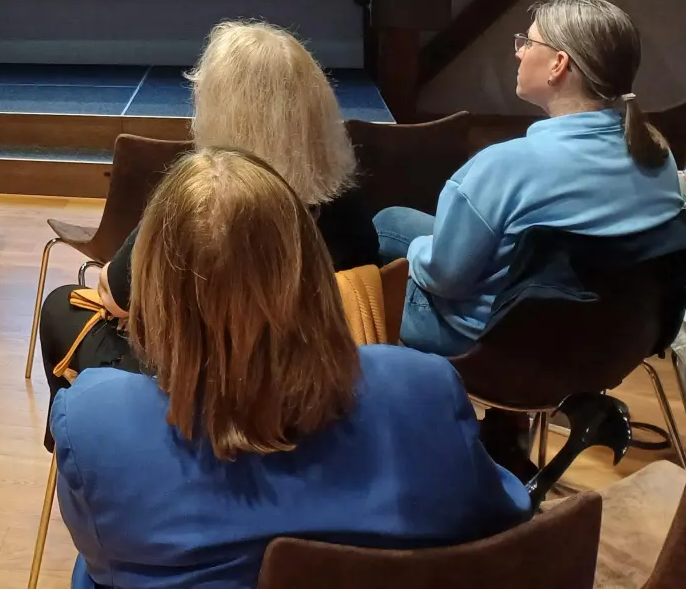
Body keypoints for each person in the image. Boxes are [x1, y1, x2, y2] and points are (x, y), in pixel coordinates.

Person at [51, 148, 531, 589]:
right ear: (313, 273)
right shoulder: (424, 390)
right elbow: (504, 519)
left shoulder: (94, 423)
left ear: (154, 296)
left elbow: (101, 562)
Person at [38, 20, 377, 402]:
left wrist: (108, 278)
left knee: (59, 307)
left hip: (204, 391)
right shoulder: (349, 203)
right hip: (310, 385)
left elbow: (117, 297)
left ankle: (76, 447)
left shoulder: (198, 204)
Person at [375, 0, 683, 356]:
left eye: (528, 42)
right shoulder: (658, 155)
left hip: (497, 349)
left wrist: (416, 252)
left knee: (382, 240)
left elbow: (444, 280)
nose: (519, 52)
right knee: (395, 220)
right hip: (614, 341)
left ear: (558, 64)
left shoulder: (502, 167)